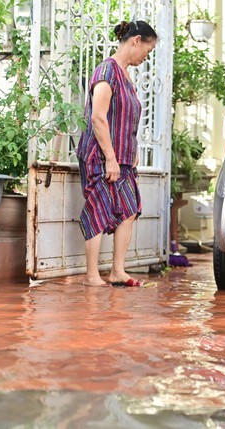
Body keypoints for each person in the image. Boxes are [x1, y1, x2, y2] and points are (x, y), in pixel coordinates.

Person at [76, 20, 157, 287]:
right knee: (99, 209)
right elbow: (98, 118)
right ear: (136, 40)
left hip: (122, 157)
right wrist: (110, 157)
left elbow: (125, 118)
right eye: (148, 49)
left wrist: (130, 151)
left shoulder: (126, 76)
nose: (147, 55)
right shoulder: (107, 71)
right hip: (100, 154)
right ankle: (91, 276)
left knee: (129, 208)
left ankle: (117, 271)